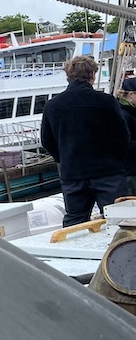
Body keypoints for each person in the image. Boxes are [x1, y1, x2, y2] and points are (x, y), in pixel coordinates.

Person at [40, 55, 129, 227]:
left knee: (75, 220)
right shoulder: (105, 101)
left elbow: (47, 140)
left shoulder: (52, 105)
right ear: (92, 75)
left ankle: (72, 253)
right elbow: (122, 136)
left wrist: (64, 157)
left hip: (72, 172)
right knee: (118, 220)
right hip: (107, 171)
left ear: (68, 76)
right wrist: (117, 161)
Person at [117, 77, 136, 195]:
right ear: (131, 94)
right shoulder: (123, 114)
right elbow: (123, 143)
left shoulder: (129, 112)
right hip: (130, 170)